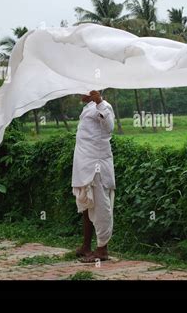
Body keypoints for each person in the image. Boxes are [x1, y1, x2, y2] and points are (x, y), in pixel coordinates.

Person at [72, 90, 115, 262]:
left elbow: (109, 127)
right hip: (84, 165)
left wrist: (100, 102)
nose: (77, 93)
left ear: (93, 91)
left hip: (97, 167)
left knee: (100, 207)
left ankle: (102, 250)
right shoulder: (87, 108)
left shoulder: (104, 106)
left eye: (82, 89)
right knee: (87, 205)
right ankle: (86, 246)